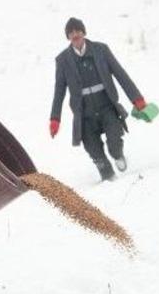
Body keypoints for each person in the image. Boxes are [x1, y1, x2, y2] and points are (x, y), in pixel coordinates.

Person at [49, 17, 151, 181]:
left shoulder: (101, 50)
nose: (75, 35)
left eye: (78, 31)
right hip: (84, 114)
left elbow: (120, 74)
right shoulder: (63, 60)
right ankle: (108, 178)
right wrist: (55, 118)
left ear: (84, 32)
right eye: (71, 32)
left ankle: (118, 155)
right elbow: (59, 90)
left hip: (107, 107)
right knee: (94, 151)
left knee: (114, 142)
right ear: (68, 37)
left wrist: (137, 100)